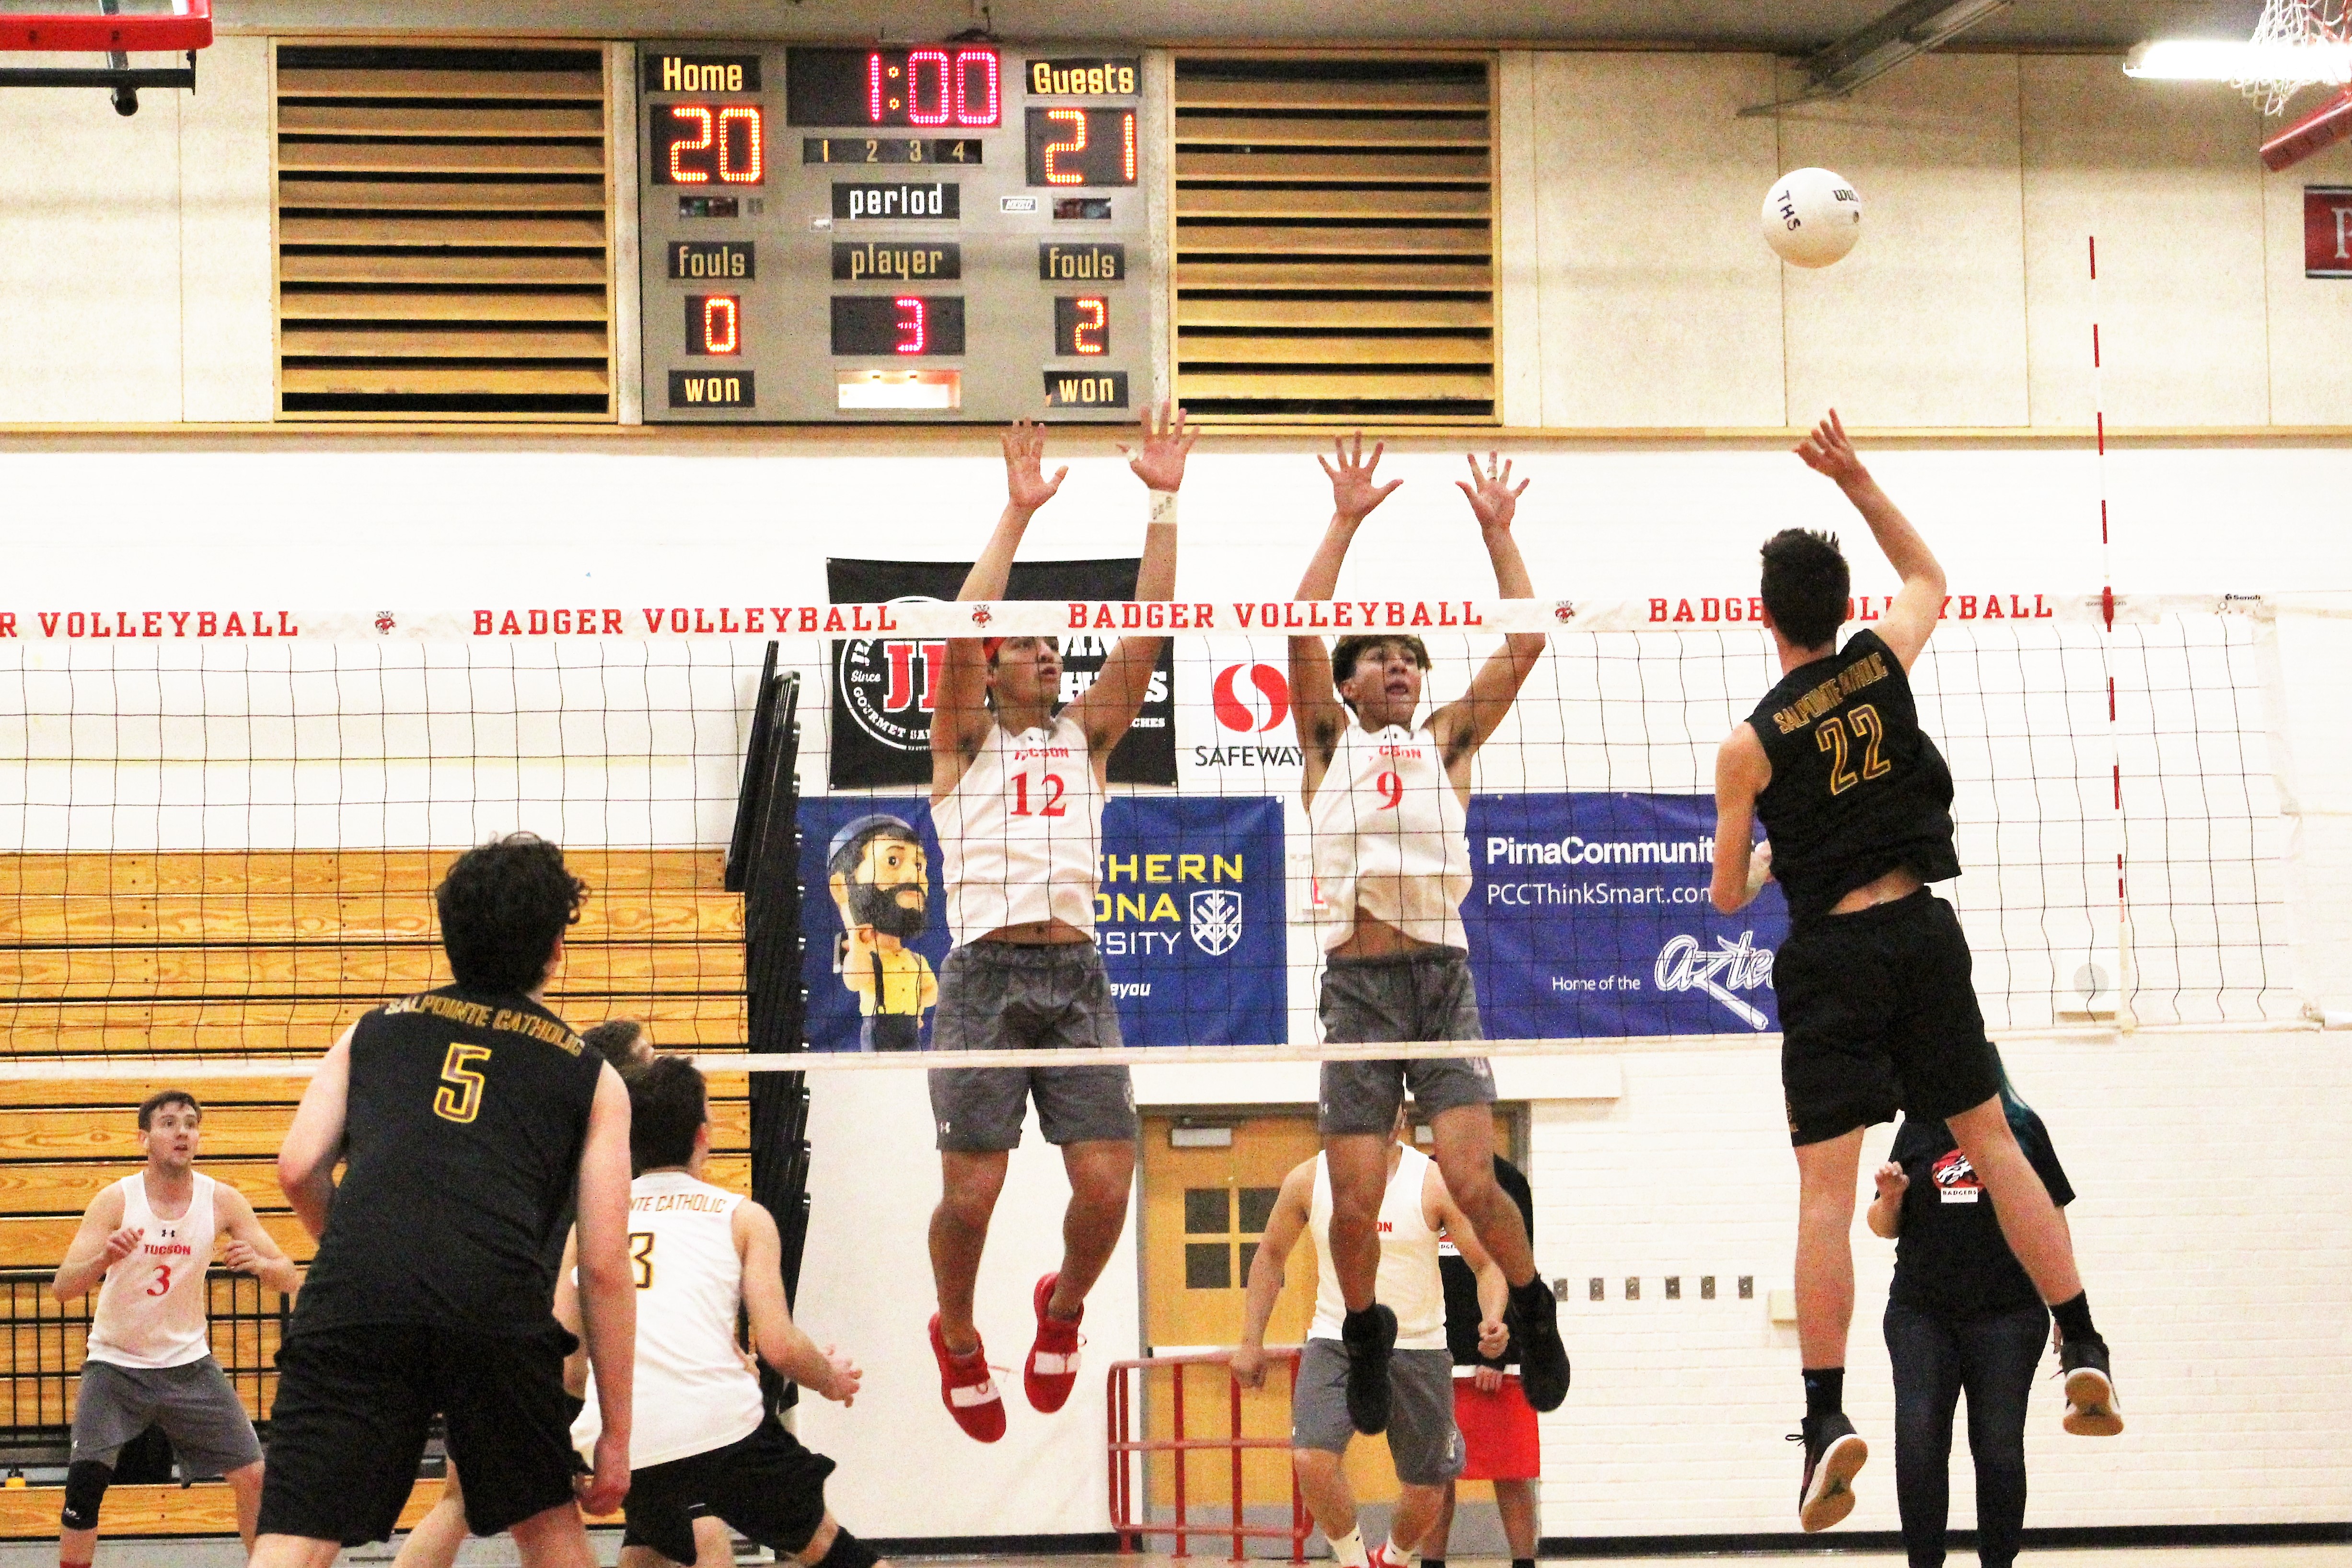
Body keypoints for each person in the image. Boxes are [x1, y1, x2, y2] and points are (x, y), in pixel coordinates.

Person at [1708, 410, 2120, 1534]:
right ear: (1840, 608)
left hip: (1834, 951)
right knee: (1993, 1142)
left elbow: (1728, 895)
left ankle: (1827, 1416)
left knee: (1825, 1196)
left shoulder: (1749, 744)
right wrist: (1855, 477)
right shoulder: (1882, 661)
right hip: (1923, 930)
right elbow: (1929, 571)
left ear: (1763, 613)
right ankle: (2081, 1336)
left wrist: (1783, 840)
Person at [1286, 435, 1570, 1436]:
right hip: (1356, 991)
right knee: (1352, 1208)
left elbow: (1527, 640)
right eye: (1379, 658)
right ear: (1351, 686)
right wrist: (1345, 519)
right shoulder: (1328, 741)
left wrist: (1499, 532)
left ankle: (1529, 1303)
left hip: (1438, 979)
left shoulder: (1445, 738)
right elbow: (1299, 632)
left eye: (1409, 657)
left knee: (1467, 1178)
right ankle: (1363, 1329)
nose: (1397, 666)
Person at [253, 832, 638, 1568]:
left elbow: (297, 1168)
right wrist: (614, 1433)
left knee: (296, 1537)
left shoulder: (373, 1031)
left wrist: (366, 1249)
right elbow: (604, 1265)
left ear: (450, 934)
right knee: (550, 1530)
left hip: (358, 1292)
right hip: (492, 1302)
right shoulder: (592, 1076)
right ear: (557, 946)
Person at [923, 407, 1193, 1442]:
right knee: (974, 1195)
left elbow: (1148, 632)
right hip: (982, 977)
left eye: (1050, 643)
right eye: (1025, 645)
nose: (1044, 652)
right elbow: (953, 630)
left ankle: (1062, 1306)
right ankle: (955, 1328)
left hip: (1074, 974)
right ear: (992, 670)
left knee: (1105, 1183)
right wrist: (1016, 512)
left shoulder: (1088, 737)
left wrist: (1161, 502)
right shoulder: (960, 744)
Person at [394, 1015, 736, 1568]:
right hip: (550, 1361)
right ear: (620, 1076)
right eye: (647, 1055)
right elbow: (605, 1276)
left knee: (617, 1522)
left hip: (499, 1339)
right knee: (683, 1514)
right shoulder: (611, 1160)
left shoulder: (546, 1139)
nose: (657, 1063)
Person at [557, 1055, 885, 1568]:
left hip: (620, 1436)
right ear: (704, 1134)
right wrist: (829, 1378)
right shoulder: (742, 1217)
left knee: (650, 1545)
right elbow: (777, 1344)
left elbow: (570, 1361)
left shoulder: (590, 1223)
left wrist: (572, 1445)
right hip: (717, 1427)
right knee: (826, 1544)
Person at [1231, 1108, 1506, 1568]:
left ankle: (1394, 1557)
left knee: (1427, 1484)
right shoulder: (1308, 1180)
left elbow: (1487, 1263)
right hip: (1336, 1340)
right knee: (1310, 1460)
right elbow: (1270, 1257)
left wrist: (1493, 1317)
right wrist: (1249, 1340)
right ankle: (1355, 1561)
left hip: (1417, 1346)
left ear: (1397, 1122)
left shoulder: (1433, 1183)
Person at [48, 1090, 300, 1568]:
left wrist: (262, 1266)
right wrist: (105, 1256)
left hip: (188, 1366)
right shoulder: (117, 1199)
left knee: (254, 1475)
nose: (182, 1131)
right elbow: (63, 1287)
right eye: (168, 1122)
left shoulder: (222, 1199)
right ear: (144, 1137)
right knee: (83, 1490)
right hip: (115, 1365)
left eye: (190, 1122)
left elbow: (288, 1272)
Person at [1869, 1069, 2101, 1568]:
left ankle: (1998, 1561)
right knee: (1918, 1441)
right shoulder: (1918, 1127)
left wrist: (2067, 1304)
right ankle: (1923, 1562)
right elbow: (1880, 1226)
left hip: (2007, 1315)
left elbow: (2051, 1214)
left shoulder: (2020, 1127)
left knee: (1996, 1447)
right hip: (1920, 1313)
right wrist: (1890, 1198)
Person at [1424, 1154, 1539, 1568]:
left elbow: (1519, 1268)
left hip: (1492, 1356)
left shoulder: (1509, 1181)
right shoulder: (1422, 1177)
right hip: (1430, 1352)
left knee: (1510, 1474)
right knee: (1434, 1480)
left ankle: (1524, 1563)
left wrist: (1502, 1353)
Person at [827, 814, 938, 1051]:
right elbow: (855, 980)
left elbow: (931, 994)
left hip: (911, 1029)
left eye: (919, 865)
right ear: (842, 888)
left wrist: (918, 1001)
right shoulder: (863, 956)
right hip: (879, 1028)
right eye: (893, 861)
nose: (913, 876)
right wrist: (856, 941)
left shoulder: (917, 961)